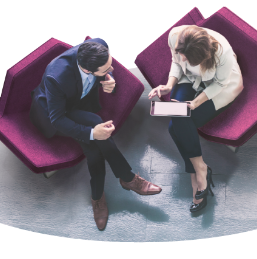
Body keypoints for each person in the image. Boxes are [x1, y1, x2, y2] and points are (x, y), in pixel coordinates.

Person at [30, 38, 162, 230]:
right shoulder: (56, 77)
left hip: (80, 102)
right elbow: (57, 120)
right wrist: (92, 133)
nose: (111, 69)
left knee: (93, 149)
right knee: (94, 128)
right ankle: (125, 179)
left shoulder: (99, 46)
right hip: (57, 112)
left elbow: (108, 74)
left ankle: (99, 196)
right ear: (87, 70)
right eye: (105, 70)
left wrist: (109, 81)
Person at [148, 25, 243, 213]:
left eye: (187, 57)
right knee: (178, 116)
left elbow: (219, 84)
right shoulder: (175, 36)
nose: (183, 58)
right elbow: (176, 62)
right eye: (182, 54)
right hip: (189, 79)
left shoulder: (223, 53)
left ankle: (195, 171)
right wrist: (168, 86)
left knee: (176, 126)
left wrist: (196, 102)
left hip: (219, 88)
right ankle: (200, 169)